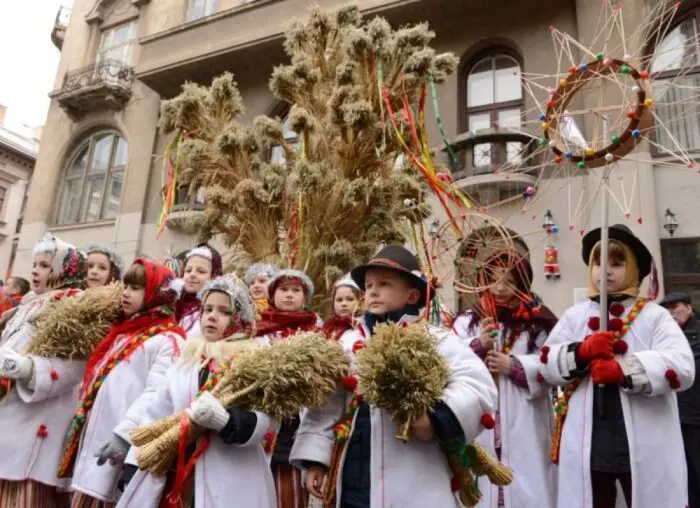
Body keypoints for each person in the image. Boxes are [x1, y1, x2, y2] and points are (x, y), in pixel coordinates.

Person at [290, 244, 498, 508]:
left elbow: (478, 385)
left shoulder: (434, 340)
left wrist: (435, 417)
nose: (373, 291)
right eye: (368, 286)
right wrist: (315, 459)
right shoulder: (348, 343)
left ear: (412, 296)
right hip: (354, 477)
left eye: (384, 284)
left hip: (414, 479)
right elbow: (326, 405)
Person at [539, 224, 695, 508]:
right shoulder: (575, 317)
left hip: (642, 441)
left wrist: (625, 370)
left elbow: (682, 366)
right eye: (599, 263)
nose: (605, 271)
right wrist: (581, 352)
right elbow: (546, 363)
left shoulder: (654, 316)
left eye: (617, 263)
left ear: (634, 268)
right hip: (591, 440)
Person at [117, 274, 277, 508]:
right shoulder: (187, 359)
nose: (212, 316)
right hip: (178, 472)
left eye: (224, 311)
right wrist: (135, 463)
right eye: (208, 309)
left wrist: (228, 421)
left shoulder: (252, 361)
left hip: (230, 478)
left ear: (240, 318)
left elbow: (268, 419)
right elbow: (157, 411)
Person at [62, 259, 186, 508]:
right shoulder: (123, 332)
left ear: (156, 294)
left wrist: (125, 434)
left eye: (136, 288)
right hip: (98, 446)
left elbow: (156, 394)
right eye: (126, 286)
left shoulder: (168, 340)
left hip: (122, 449)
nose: (126, 293)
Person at [452, 251, 558, 508]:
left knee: (527, 484)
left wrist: (514, 366)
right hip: (482, 418)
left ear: (521, 284)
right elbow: (448, 359)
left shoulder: (538, 322)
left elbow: (552, 364)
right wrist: (478, 344)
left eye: (508, 281)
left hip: (524, 418)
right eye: (493, 280)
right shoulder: (469, 320)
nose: (500, 288)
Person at [0, 233, 87, 507]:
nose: (35, 271)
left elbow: (74, 366)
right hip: (11, 416)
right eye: (35, 264)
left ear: (63, 270)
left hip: (39, 420)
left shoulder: (73, 305)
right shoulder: (27, 305)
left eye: (45, 266)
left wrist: (27, 369)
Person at [659, 291, 700, 508]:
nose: (670, 312)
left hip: (696, 417)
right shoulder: (664, 338)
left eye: (675, 307)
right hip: (673, 416)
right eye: (666, 309)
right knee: (682, 473)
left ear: (689, 308)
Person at [175, 244, 223, 338]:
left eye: (201, 271)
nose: (192, 274)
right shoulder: (172, 305)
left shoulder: (215, 312)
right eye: (188, 270)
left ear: (214, 276)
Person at [322, 276, 362, 341]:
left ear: (359, 302)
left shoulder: (362, 326)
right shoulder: (327, 327)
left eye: (350, 299)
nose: (344, 304)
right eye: (339, 300)